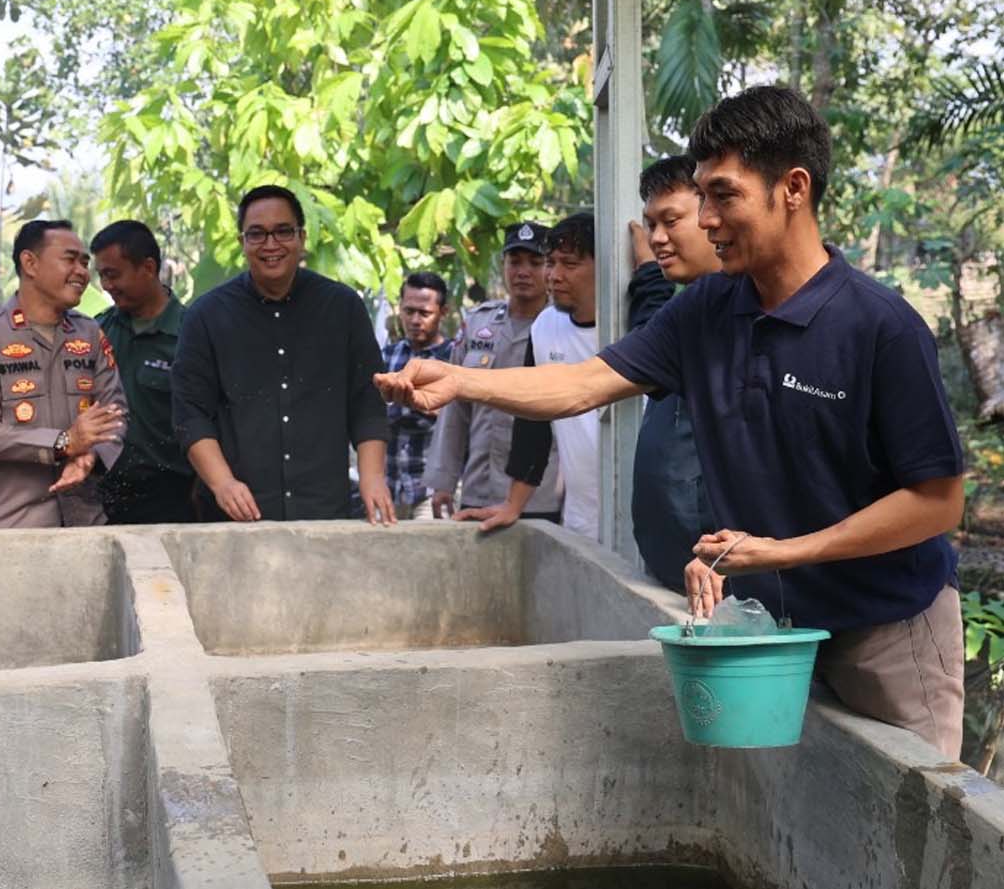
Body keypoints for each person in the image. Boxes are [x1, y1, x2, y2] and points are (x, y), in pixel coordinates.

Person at [378, 86, 966, 758]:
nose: (705, 219)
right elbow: (582, 383)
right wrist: (461, 380)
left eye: (723, 195)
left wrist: (786, 550)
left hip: (886, 632)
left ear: (793, 188)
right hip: (775, 629)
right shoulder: (707, 308)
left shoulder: (880, 326)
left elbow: (938, 502)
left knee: (914, 830)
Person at [172, 184, 393, 524]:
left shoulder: (343, 308)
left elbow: (368, 402)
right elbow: (190, 415)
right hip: (237, 518)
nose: (271, 245)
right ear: (242, 242)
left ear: (302, 237)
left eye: (283, 232)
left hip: (324, 512)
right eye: (257, 234)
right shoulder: (206, 316)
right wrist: (223, 483)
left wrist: (373, 478)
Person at [0, 220, 128, 530]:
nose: (82, 272)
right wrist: (63, 443)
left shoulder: (89, 333)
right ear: (30, 263)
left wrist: (90, 456)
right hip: (12, 530)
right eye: (70, 259)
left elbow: (115, 412)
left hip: (85, 525)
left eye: (84, 262)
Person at [463, 213, 599, 538]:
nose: (554, 275)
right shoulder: (545, 326)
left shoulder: (633, 323)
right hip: (580, 518)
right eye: (551, 263)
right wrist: (513, 504)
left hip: (639, 515)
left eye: (569, 264)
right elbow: (533, 422)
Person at [423, 222, 562, 522]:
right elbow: (454, 408)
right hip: (479, 487)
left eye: (535, 263)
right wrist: (443, 481)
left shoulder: (560, 327)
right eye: (515, 262)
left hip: (540, 495)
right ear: (503, 266)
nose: (523, 272)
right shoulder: (478, 324)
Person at [625, 156, 720, 593]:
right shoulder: (687, 311)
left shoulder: (750, 312)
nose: (658, 238)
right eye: (651, 225)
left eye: (671, 220)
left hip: (723, 574)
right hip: (671, 569)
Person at [91, 220, 196, 524]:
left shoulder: (191, 335)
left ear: (148, 268)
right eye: (102, 276)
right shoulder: (98, 331)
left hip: (172, 499)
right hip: (103, 495)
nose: (107, 286)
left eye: (113, 275)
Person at [382, 271, 454, 520]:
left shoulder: (454, 358)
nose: (414, 320)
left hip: (432, 488)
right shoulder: (388, 355)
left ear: (443, 312)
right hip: (389, 485)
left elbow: (459, 420)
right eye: (408, 311)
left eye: (424, 313)